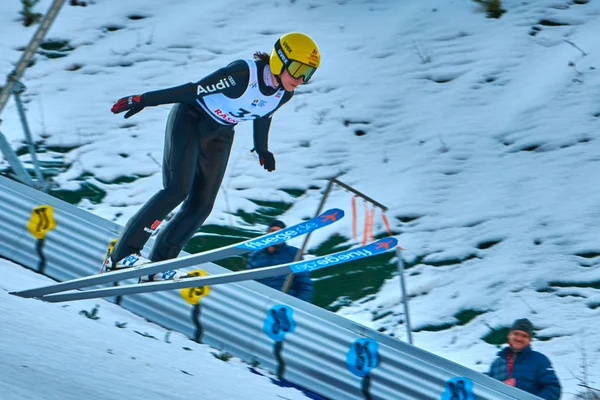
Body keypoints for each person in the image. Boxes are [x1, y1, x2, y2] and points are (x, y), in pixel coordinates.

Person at [102, 33, 321, 281]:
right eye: (298, 69)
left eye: (308, 73)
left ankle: (158, 265)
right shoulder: (242, 75)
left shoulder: (284, 93)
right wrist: (144, 99)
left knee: (202, 204)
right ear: (280, 60)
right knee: (177, 189)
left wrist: (262, 149)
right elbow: (192, 90)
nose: (301, 79)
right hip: (192, 119)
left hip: (220, 133)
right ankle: (121, 255)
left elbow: (263, 114)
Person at [488, 318, 561, 400]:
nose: (519, 338)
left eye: (524, 336)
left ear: (530, 340)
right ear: (509, 335)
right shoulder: (496, 363)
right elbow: (488, 390)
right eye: (516, 334)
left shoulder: (539, 360)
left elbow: (553, 388)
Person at [246, 219, 314, 302]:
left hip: (283, 303)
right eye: (272, 231)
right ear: (267, 233)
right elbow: (248, 281)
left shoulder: (294, 254)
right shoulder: (256, 255)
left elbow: (304, 285)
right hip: (258, 300)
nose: (276, 235)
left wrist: (299, 306)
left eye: (280, 233)